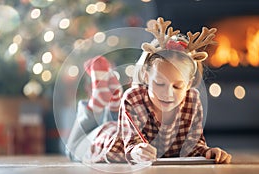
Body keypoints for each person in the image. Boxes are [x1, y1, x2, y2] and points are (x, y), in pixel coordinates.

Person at [67, 17, 232, 164]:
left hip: (121, 125)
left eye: (177, 86)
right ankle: (95, 102)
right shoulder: (133, 97)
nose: (168, 93)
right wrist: (137, 151)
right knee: (73, 148)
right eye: (160, 84)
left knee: (112, 122)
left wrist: (208, 152)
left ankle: (107, 102)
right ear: (146, 76)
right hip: (108, 141)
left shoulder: (192, 100)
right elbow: (131, 145)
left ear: (189, 84)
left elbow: (193, 145)